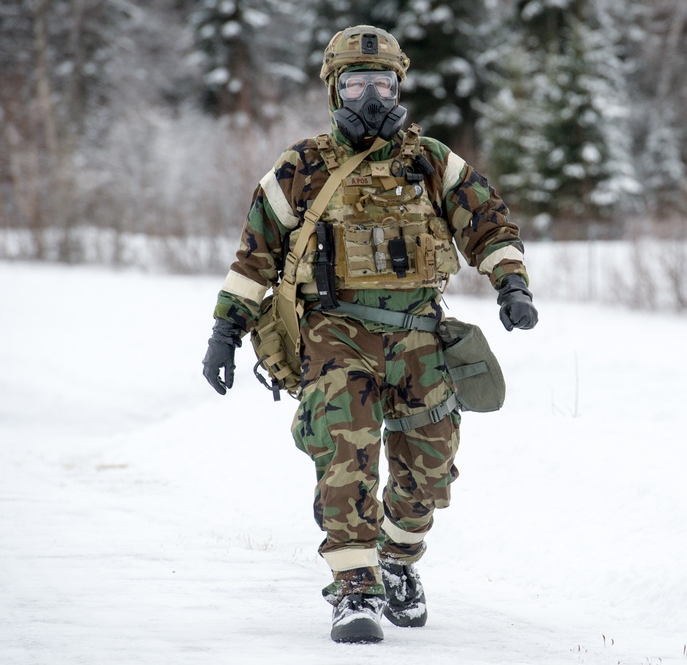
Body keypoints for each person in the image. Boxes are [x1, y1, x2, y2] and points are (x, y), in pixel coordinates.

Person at [202, 25, 538, 643]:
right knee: (344, 459)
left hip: (419, 336)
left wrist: (511, 283)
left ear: (399, 86)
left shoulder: (431, 161)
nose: (372, 98)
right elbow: (255, 255)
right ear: (335, 90)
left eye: (383, 83)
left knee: (430, 469)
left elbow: (488, 222)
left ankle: (398, 562)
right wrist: (225, 329)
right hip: (336, 335)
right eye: (357, 84)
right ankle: (354, 590)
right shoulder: (300, 167)